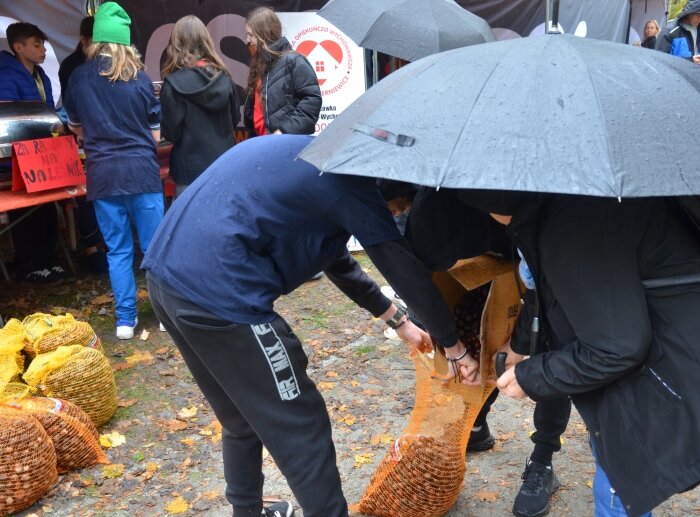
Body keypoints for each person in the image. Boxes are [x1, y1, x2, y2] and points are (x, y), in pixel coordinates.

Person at [141, 134, 479, 517]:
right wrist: (453, 345)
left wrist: (396, 319)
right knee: (301, 424)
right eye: (397, 208)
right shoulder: (352, 185)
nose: (396, 214)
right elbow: (399, 265)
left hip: (166, 280)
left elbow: (335, 257)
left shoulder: (318, 158)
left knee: (240, 418)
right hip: (220, 295)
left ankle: (246, 513)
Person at [459, 190, 700, 516]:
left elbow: (616, 349)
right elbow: (546, 289)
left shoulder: (573, 221)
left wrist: (532, 376)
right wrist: (521, 343)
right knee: (612, 462)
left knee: (617, 479)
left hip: (687, 362)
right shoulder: (578, 201)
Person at [380, 182, 571, 517]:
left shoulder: (534, 196)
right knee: (477, 340)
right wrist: (441, 338)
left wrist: (522, 341)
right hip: (491, 261)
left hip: (545, 264)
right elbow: (421, 280)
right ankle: (476, 423)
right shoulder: (432, 206)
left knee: (551, 353)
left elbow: (543, 279)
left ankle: (542, 459)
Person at [64, 2, 164, 340]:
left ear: (95, 41)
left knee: (118, 250)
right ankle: (165, 314)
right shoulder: (140, 78)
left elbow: (75, 126)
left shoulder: (79, 77)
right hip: (142, 172)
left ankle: (125, 321)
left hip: (103, 174)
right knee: (154, 248)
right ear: (125, 42)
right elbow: (155, 134)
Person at [0, 22, 69, 284]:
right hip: (17, 159)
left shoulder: (40, 74)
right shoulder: (6, 76)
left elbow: (47, 114)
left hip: (43, 156)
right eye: (36, 44)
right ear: (18, 47)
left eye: (43, 44)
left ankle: (48, 260)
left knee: (47, 208)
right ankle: (31, 263)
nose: (43, 50)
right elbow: (12, 121)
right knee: (25, 212)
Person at [160, 15, 240, 196]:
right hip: (224, 166)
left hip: (188, 173)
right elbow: (234, 119)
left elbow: (171, 133)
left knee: (189, 224)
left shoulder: (172, 85)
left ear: (176, 43)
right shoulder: (224, 78)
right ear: (206, 40)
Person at [57, 15, 109, 275]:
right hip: (82, 140)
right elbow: (71, 111)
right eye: (96, 42)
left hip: (105, 141)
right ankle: (90, 247)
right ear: (83, 40)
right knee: (85, 194)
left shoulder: (108, 64)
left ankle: (107, 243)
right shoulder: (72, 67)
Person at [242, 7, 322, 137]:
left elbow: (311, 101)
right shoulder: (260, 64)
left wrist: (284, 131)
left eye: (251, 35)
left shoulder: (293, 61)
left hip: (285, 144)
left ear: (264, 34)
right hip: (262, 143)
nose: (247, 40)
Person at [655, 0, 700, 67]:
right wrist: (690, 61)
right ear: (690, 12)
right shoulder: (670, 31)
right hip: (677, 76)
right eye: (699, 15)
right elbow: (660, 60)